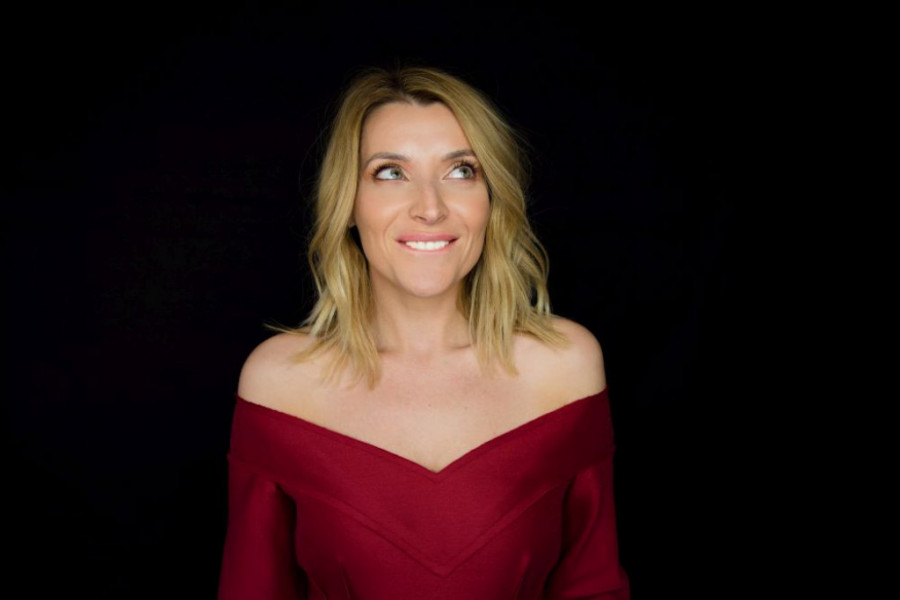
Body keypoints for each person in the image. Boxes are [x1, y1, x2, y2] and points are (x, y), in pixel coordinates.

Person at [217, 65, 630, 599]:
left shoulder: (564, 368)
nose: (430, 208)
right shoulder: (281, 383)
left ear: (491, 199)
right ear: (348, 203)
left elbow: (593, 587)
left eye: (461, 171)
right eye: (391, 172)